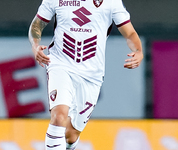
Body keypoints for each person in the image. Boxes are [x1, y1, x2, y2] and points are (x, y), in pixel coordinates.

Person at [28, 0, 143, 149]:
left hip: (91, 74)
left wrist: (138, 51)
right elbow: (37, 24)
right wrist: (35, 46)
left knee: (71, 134)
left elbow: (130, 33)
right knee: (59, 116)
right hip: (61, 64)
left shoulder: (111, 2)